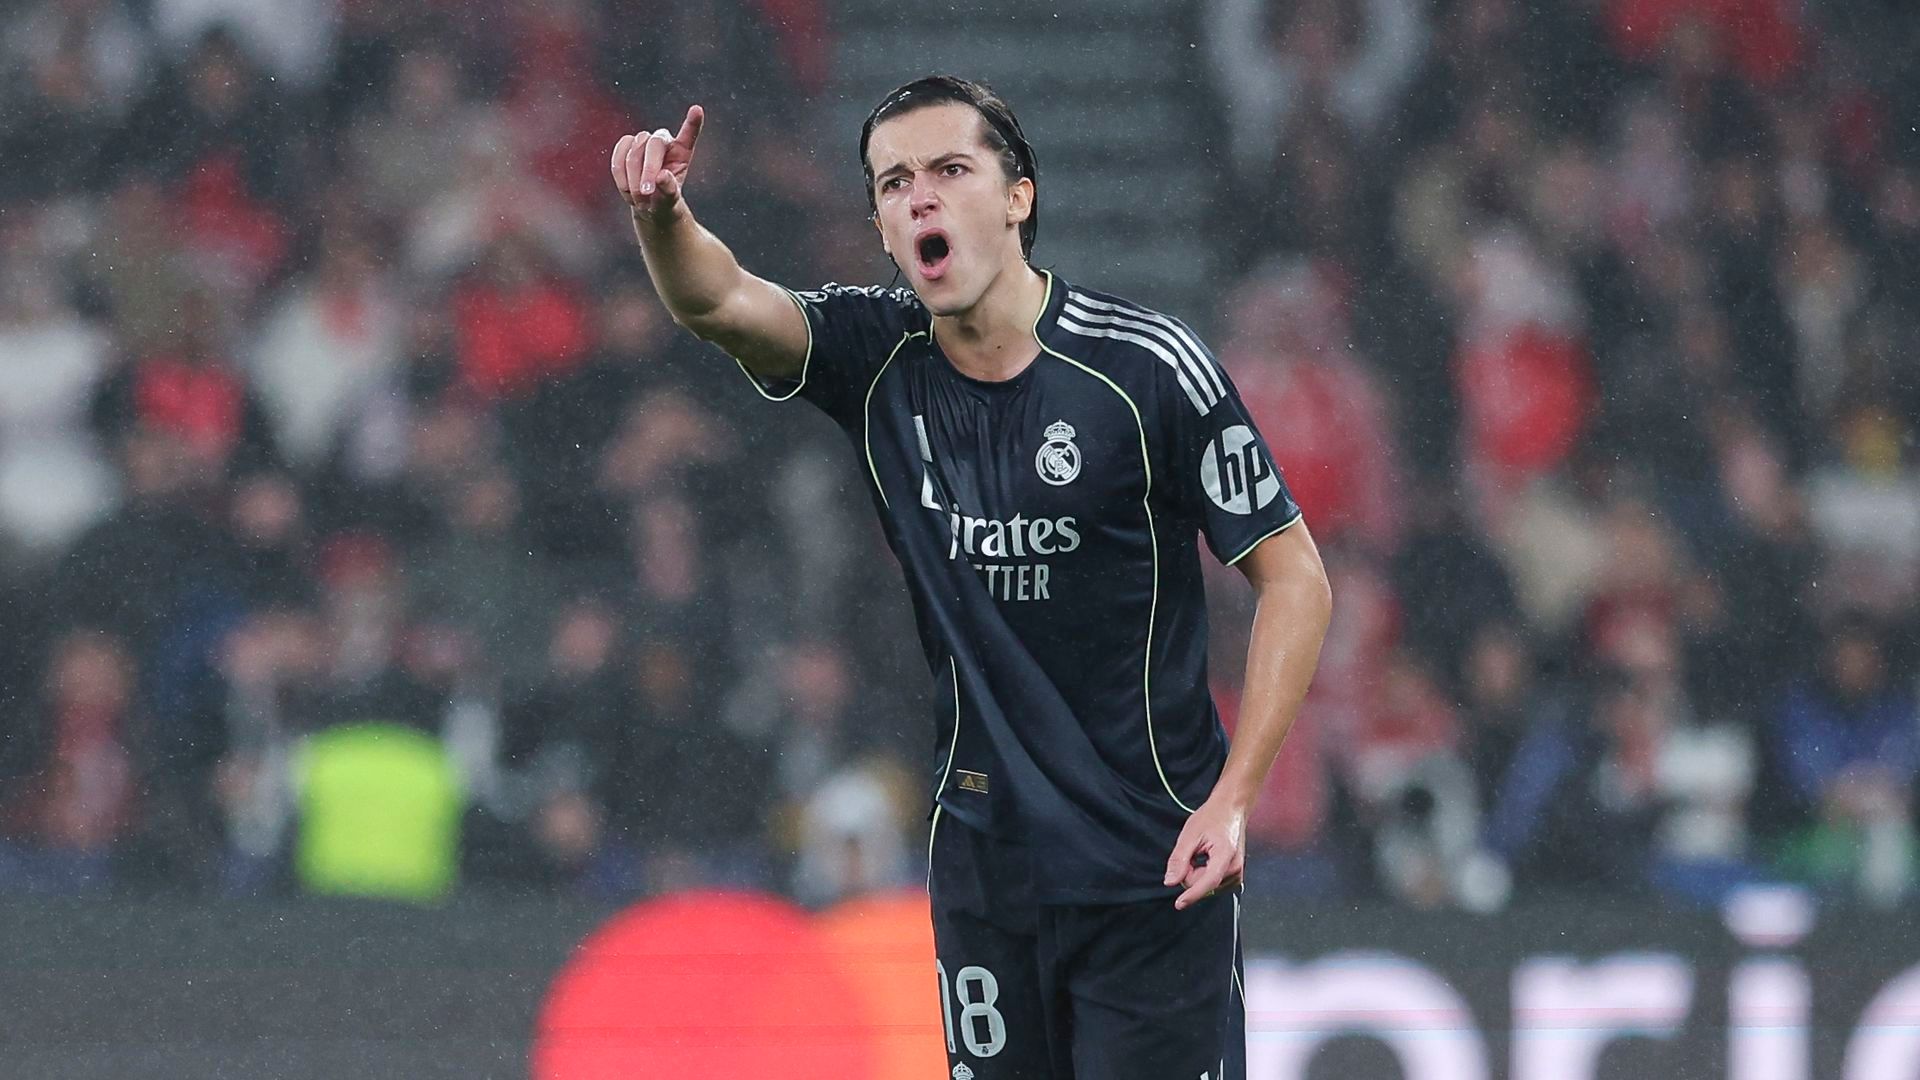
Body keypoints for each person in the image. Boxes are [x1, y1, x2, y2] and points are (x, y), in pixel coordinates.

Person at [609, 75, 1332, 1079]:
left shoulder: (1149, 371)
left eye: (950, 169)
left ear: (1018, 195)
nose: (922, 199)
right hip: (987, 868)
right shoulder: (877, 357)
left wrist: (1237, 796)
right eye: (895, 183)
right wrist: (662, 218)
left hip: (1156, 868)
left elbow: (1295, 577)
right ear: (878, 222)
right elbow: (720, 300)